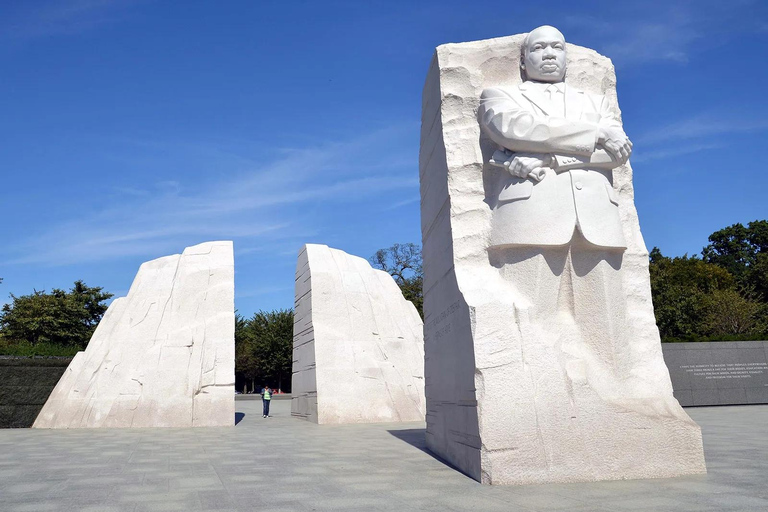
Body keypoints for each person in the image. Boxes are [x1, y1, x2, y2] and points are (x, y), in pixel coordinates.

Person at [477, 25, 634, 372]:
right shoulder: (498, 96)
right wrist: (594, 135)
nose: (549, 53)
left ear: (567, 57)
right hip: (531, 215)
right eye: (539, 48)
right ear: (522, 61)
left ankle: (618, 395)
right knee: (530, 318)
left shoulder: (597, 102)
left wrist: (547, 158)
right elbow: (515, 130)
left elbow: (617, 155)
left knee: (607, 325)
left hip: (598, 218)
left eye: (557, 47)